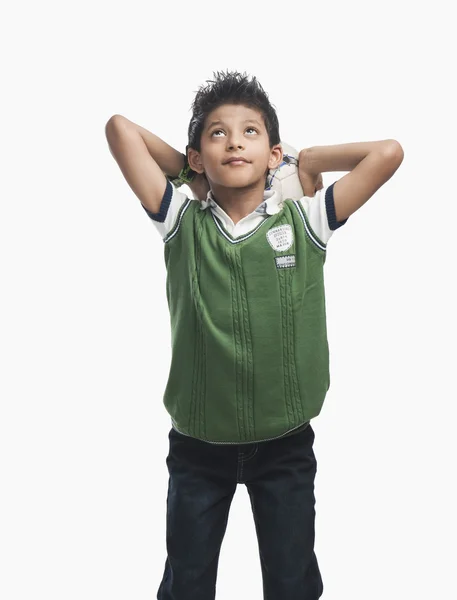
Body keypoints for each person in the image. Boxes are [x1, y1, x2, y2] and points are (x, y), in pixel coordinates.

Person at [105, 69, 404, 600]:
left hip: (284, 444)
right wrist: (188, 170)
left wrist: (306, 162)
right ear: (198, 156)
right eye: (217, 134)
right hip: (199, 445)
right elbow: (120, 129)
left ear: (273, 152)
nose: (234, 141)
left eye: (250, 132)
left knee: (291, 584)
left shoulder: (306, 219)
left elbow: (387, 153)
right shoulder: (182, 221)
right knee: (188, 583)